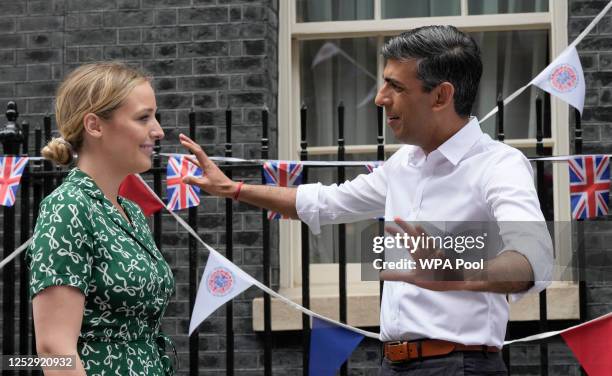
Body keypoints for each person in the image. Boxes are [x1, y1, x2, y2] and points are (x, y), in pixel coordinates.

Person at [179, 25, 552, 375]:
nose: (379, 98)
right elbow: (325, 203)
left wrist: (458, 273)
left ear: (441, 95)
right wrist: (234, 189)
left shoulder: (500, 164)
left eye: (396, 86)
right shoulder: (403, 164)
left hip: (460, 366)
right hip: (393, 362)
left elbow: (533, 259)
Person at [27, 62, 176, 376]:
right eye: (143, 117)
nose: (159, 131)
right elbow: (55, 348)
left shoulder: (130, 211)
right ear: (94, 126)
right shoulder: (67, 207)